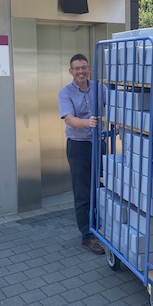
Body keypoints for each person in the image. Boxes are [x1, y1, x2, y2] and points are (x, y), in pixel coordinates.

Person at [58, 53, 107, 255]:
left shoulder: (100, 87)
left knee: (101, 186)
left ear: (89, 69)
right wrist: (88, 122)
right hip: (78, 147)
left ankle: (100, 227)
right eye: (77, 69)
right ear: (71, 71)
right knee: (82, 192)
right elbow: (69, 119)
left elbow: (115, 106)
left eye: (84, 67)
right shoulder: (65, 93)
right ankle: (87, 236)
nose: (81, 71)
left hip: (99, 144)